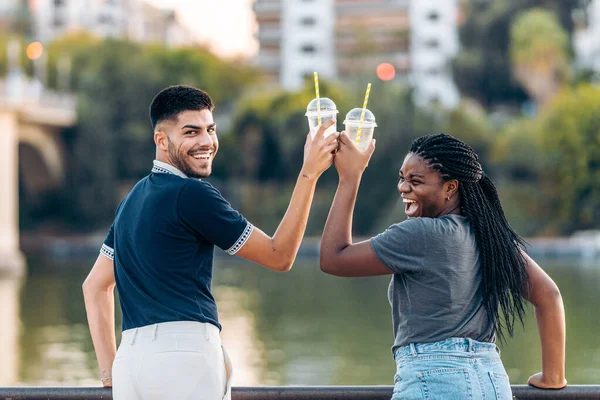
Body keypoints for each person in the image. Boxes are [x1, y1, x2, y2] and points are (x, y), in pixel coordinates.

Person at [82, 85, 339, 400]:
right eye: (191, 132)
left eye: (210, 129)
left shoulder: (130, 201)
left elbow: (95, 286)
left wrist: (111, 372)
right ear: (161, 140)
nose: (206, 141)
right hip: (184, 357)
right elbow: (279, 255)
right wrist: (309, 174)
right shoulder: (192, 194)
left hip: (131, 363)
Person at [320, 132, 567, 399]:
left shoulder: (420, 234)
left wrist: (349, 177)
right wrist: (553, 377)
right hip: (493, 383)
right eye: (402, 178)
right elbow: (548, 294)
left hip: (435, 380)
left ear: (450, 187)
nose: (404, 187)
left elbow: (334, 257)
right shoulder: (491, 237)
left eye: (416, 181)